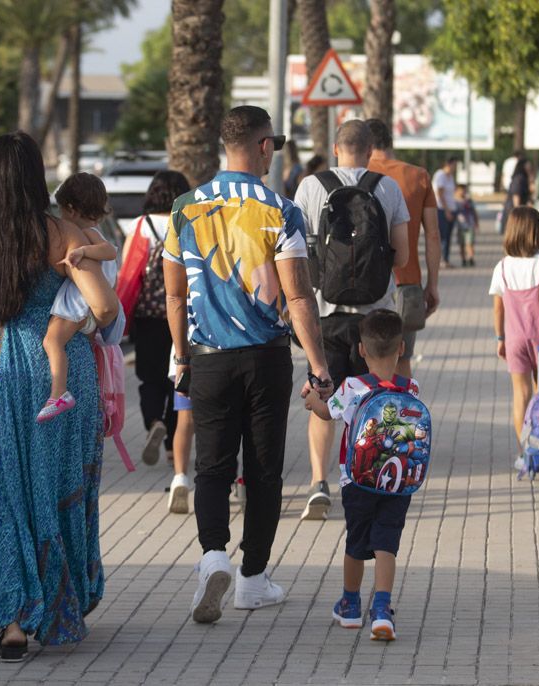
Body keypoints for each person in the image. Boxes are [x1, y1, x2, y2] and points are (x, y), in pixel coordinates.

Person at [0, 131, 119, 661]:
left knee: (5, 494)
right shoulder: (61, 233)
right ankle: (61, 606)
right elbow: (106, 310)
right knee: (59, 484)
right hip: (57, 372)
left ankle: (15, 620)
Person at [163, 106, 333, 624]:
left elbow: (174, 295)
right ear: (263, 146)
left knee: (212, 466)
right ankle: (252, 580)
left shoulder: (185, 208)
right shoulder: (280, 210)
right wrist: (319, 367)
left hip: (208, 359)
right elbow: (299, 298)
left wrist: (182, 356)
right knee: (263, 472)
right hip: (265, 359)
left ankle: (213, 554)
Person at [295, 120, 410, 521]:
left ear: (335, 147)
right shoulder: (388, 187)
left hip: (326, 314)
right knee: (373, 402)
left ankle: (317, 483)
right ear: (371, 149)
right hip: (375, 315)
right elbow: (404, 256)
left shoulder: (311, 187)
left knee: (324, 398)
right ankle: (370, 477)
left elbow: (298, 253)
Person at [303, 309, 418, 642]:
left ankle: (351, 605)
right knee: (386, 543)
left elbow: (327, 413)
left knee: (356, 543)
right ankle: (382, 609)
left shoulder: (353, 387)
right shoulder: (410, 388)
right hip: (397, 481)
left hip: (357, 481)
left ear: (361, 350)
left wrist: (312, 399)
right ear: (401, 349)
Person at [37, 173, 121, 422]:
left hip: (78, 303)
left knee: (51, 341)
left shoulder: (89, 233)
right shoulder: (91, 231)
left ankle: (59, 393)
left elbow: (110, 251)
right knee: (54, 341)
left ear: (72, 209)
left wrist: (81, 250)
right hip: (83, 306)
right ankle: (58, 392)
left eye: (61, 210)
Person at [364, 118, 440, 377]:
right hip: (406, 283)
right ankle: (404, 415)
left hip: (362, 283)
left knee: (363, 363)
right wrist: (432, 285)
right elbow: (432, 236)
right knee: (402, 360)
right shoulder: (418, 176)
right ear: (390, 142)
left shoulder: (356, 174)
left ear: (367, 144)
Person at [131, 171, 191, 465]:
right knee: (176, 378)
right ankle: (171, 446)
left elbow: (130, 273)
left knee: (149, 379)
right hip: (180, 312)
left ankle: (154, 420)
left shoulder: (141, 226)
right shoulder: (185, 220)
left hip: (148, 316)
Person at [490, 207, 539, 446]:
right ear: (535, 232)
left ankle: (524, 451)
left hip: (514, 339)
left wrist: (500, 338)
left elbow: (498, 308)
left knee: (520, 395)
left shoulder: (502, 267)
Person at [166, 345, 195, 514]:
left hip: (187, 354)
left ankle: (180, 478)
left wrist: (181, 358)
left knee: (185, 421)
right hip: (222, 354)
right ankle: (227, 479)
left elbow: (177, 317)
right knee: (221, 423)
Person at [432, 157, 458, 267]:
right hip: (442, 210)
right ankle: (440, 260)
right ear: (448, 164)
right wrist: (447, 210)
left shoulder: (451, 177)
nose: (455, 168)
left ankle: (446, 259)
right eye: (454, 165)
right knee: (442, 236)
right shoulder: (440, 175)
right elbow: (440, 194)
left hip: (451, 209)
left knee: (448, 236)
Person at [500, 156, 531, 238]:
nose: (530, 167)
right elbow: (516, 194)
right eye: (528, 165)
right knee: (514, 234)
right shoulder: (519, 178)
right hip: (513, 209)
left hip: (514, 209)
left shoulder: (522, 177)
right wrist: (518, 210)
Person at [453, 184, 479, 267]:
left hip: (470, 225)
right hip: (460, 226)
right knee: (461, 244)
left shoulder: (469, 201)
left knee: (470, 243)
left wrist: (476, 223)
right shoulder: (455, 202)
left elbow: (474, 212)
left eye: (464, 190)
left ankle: (471, 258)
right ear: (456, 191)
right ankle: (463, 259)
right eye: (461, 190)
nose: (463, 192)